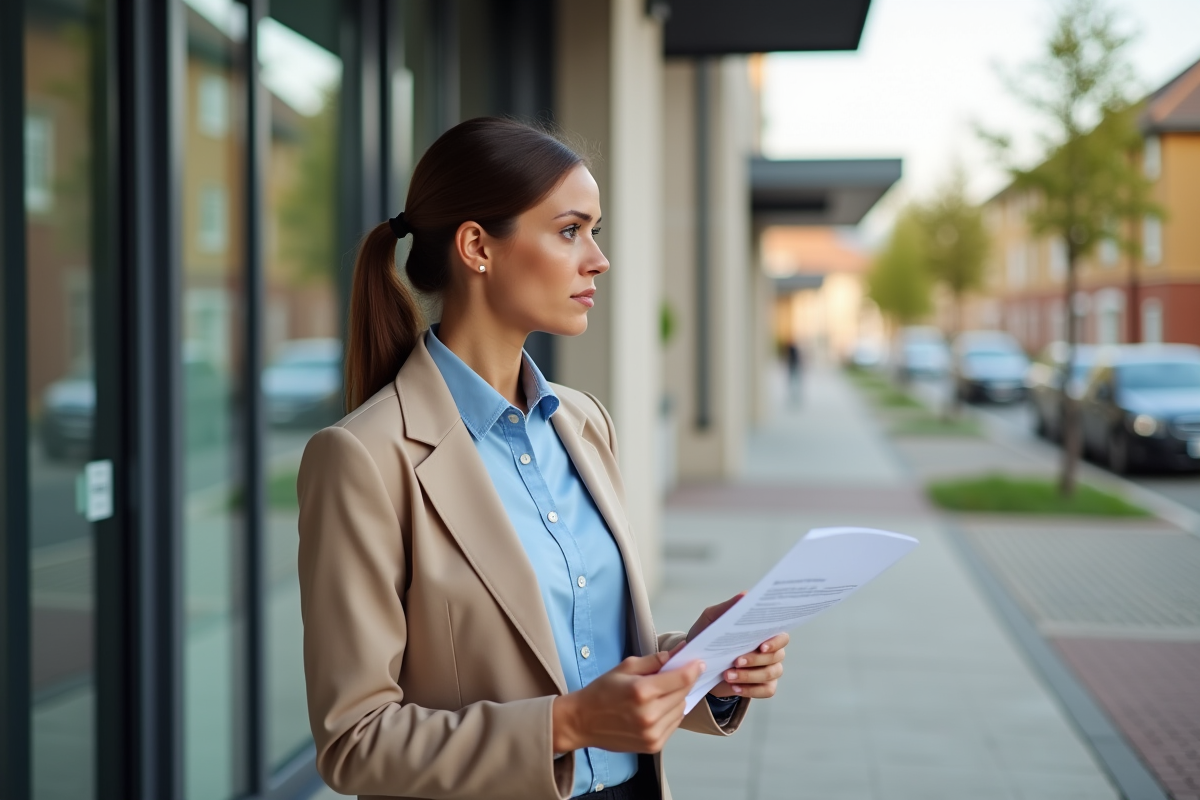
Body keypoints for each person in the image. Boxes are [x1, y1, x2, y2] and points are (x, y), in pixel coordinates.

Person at [297, 118, 788, 800]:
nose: (598, 258)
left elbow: (587, 661)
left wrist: (703, 665)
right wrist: (566, 724)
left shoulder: (585, 423)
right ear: (477, 247)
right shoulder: (361, 458)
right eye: (569, 230)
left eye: (595, 230)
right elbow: (355, 742)